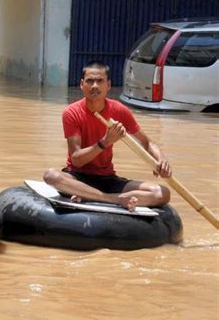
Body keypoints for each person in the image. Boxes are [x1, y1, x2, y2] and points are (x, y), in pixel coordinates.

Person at [43, 61, 171, 211]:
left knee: (162, 193)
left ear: (108, 85)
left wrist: (160, 160)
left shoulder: (119, 110)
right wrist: (105, 142)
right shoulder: (71, 113)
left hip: (107, 178)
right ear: (82, 84)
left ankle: (88, 196)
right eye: (90, 81)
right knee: (51, 176)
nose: (95, 86)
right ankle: (113, 199)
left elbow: (147, 142)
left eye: (100, 81)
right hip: (77, 177)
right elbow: (76, 160)